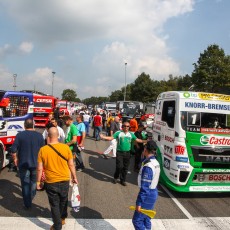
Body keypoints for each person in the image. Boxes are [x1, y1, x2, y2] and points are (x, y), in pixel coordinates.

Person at [36, 127, 78, 230]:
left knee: (54, 204)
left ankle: (57, 225)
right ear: (58, 135)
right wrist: (74, 177)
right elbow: (71, 165)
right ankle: (62, 218)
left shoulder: (43, 150)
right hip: (64, 179)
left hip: (51, 181)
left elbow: (39, 169)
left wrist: (38, 182)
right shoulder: (65, 148)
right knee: (63, 200)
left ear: (48, 136)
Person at [11, 119, 45, 209]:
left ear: (24, 125)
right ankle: (31, 197)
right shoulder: (39, 136)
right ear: (33, 125)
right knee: (34, 182)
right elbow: (43, 151)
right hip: (36, 164)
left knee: (25, 184)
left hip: (23, 164)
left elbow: (13, 150)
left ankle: (27, 203)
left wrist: (15, 159)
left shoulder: (20, 135)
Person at [100, 121, 147, 186]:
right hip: (119, 153)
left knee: (125, 168)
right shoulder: (118, 133)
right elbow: (111, 138)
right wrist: (103, 137)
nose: (126, 127)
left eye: (127, 126)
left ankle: (123, 180)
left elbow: (138, 140)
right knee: (119, 167)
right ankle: (116, 177)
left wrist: (147, 141)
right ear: (122, 127)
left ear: (129, 127)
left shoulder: (131, 134)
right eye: (124, 126)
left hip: (127, 153)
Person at [132, 140, 160, 230]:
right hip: (153, 192)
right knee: (146, 219)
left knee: (137, 220)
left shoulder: (148, 166)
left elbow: (145, 188)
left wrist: (139, 203)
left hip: (147, 195)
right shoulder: (155, 162)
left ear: (146, 149)